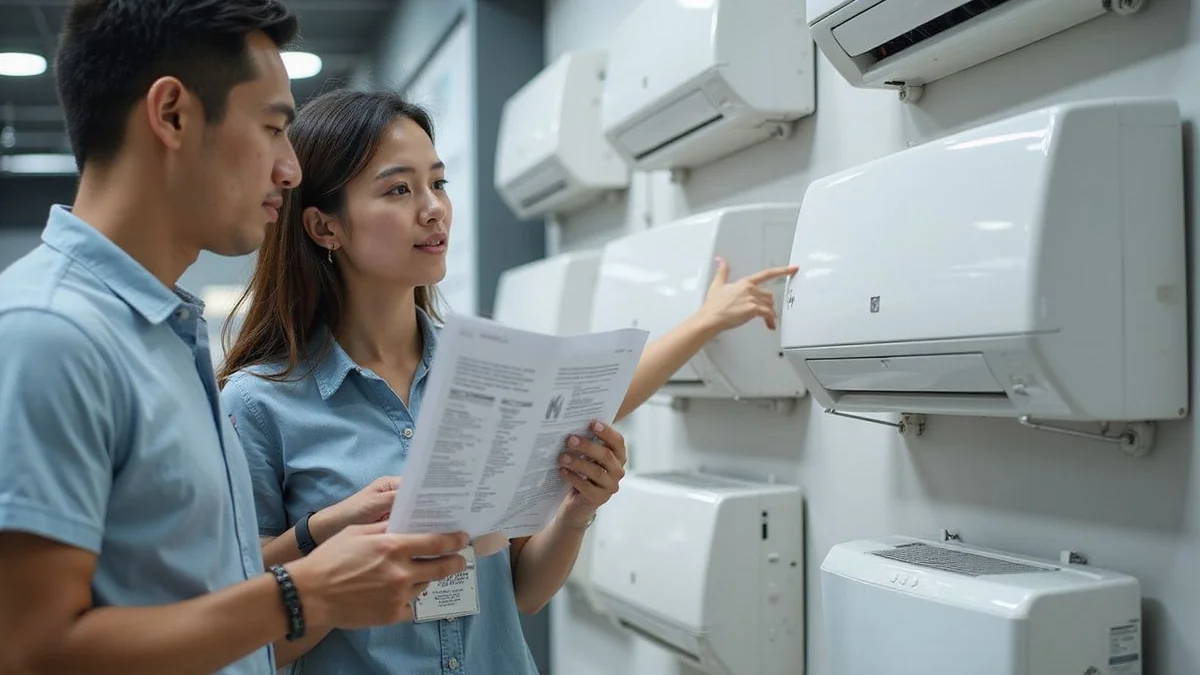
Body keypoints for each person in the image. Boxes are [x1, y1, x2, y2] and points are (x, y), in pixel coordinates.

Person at [215, 87, 798, 673]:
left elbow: (523, 590)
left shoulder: (485, 370)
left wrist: (575, 510)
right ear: (324, 227)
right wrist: (321, 538)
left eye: (437, 183)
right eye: (398, 189)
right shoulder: (259, 403)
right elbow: (244, 632)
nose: (433, 208)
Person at [0, 4, 470, 675]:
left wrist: (311, 561)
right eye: (274, 128)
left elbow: (203, 614)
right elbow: (30, 650)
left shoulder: (165, 333)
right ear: (172, 115)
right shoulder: (51, 332)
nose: (289, 168)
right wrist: (307, 590)